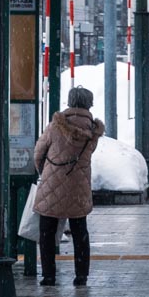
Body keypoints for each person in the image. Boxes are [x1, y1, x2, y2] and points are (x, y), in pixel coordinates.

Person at [32, 85, 103, 286]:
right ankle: (81, 275)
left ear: (70, 102)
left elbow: (38, 153)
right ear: (89, 103)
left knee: (47, 232)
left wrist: (45, 172)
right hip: (79, 187)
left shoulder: (56, 126)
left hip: (52, 184)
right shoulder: (93, 131)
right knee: (80, 231)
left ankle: (49, 275)